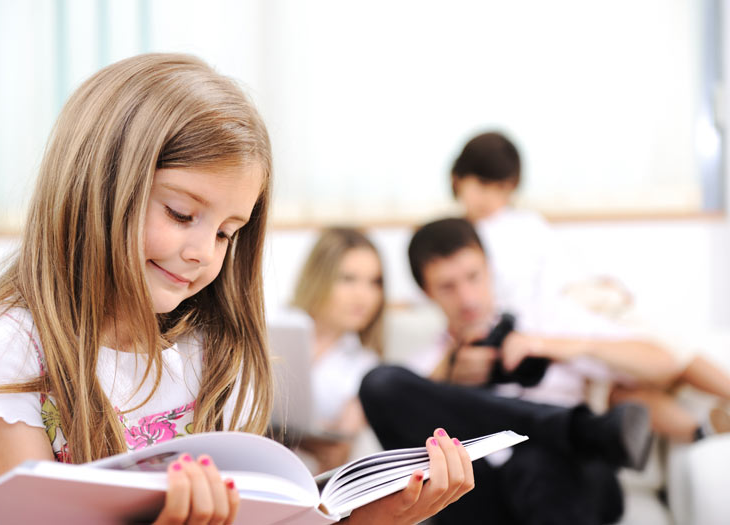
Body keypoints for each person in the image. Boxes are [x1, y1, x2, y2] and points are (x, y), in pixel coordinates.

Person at [0, 53, 474, 525]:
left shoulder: (204, 351)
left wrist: (373, 519)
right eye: (181, 212)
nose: (203, 253)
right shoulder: (5, 350)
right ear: (95, 187)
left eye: (225, 232)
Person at [360, 217, 683, 525]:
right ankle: (582, 428)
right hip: (482, 498)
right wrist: (447, 380)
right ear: (427, 292)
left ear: (489, 267)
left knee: (536, 463)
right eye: (448, 287)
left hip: (573, 478)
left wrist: (554, 347)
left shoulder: (544, 319)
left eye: (473, 277)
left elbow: (664, 363)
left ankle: (571, 432)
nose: (467, 298)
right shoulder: (428, 367)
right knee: (380, 382)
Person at [451, 131, 730, 443]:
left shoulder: (526, 223)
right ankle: (705, 433)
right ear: (458, 179)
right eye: (482, 185)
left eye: (501, 188)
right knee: (614, 392)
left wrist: (599, 288)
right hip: (543, 335)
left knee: (668, 352)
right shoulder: (459, 242)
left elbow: (567, 274)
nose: (490, 198)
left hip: (576, 311)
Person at [290, 227, 384, 472]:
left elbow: (336, 456)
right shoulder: (273, 329)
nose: (364, 296)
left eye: (374, 282)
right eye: (348, 279)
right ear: (319, 277)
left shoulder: (367, 367)